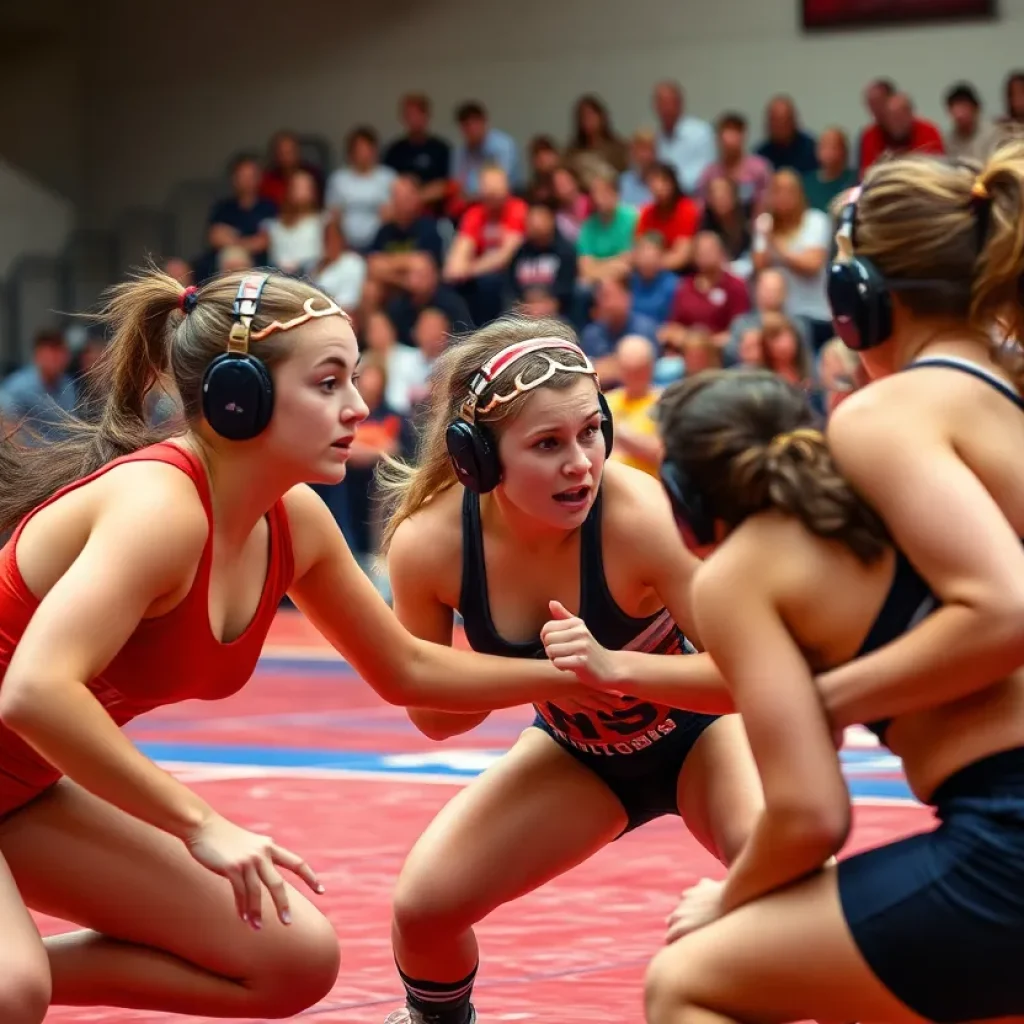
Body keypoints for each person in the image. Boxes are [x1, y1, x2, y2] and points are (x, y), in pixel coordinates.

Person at [0, 270, 611, 1024]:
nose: (357, 407)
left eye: (353, 378)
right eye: (327, 383)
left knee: (290, 963)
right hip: (21, 786)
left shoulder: (292, 522)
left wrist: (565, 676)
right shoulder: (158, 508)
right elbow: (34, 692)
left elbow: (407, 668)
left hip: (20, 797)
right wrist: (202, 823)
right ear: (238, 397)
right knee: (11, 989)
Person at [644, 146, 1024, 1024]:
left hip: (1006, 834)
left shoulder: (893, 413)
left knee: (690, 981)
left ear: (854, 300)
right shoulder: (1000, 397)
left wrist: (825, 699)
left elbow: (1004, 609)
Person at [376, 316, 762, 1024]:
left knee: (793, 877)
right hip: (580, 756)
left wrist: (614, 669)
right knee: (424, 910)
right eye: (548, 444)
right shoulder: (431, 546)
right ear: (478, 461)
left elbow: (750, 681)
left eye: (591, 431)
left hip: (703, 736)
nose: (582, 463)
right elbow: (433, 718)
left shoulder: (638, 512)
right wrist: (553, 679)